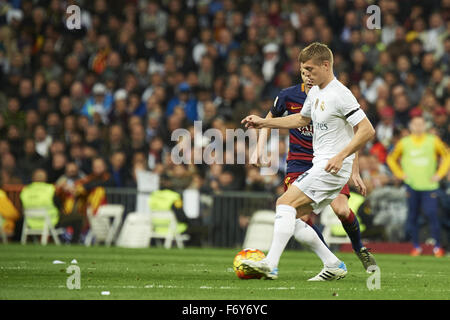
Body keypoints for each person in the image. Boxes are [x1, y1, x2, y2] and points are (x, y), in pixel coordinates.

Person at [241, 42, 375, 280]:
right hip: (319, 165)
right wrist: (264, 122)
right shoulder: (314, 92)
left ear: (326, 65)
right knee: (292, 217)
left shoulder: (340, 94)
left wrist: (341, 156)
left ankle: (270, 264)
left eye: (311, 70)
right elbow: (301, 120)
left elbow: (366, 130)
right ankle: (333, 264)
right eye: (304, 70)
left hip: (331, 167)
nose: (307, 75)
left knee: (284, 203)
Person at [386, 116, 449, 257]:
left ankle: (437, 247)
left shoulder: (433, 141)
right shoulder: (404, 142)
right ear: (411, 126)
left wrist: (440, 174)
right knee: (412, 217)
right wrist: (400, 174)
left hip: (430, 185)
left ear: (425, 125)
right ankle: (416, 246)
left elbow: (447, 155)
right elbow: (391, 158)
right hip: (411, 185)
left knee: (432, 215)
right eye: (416, 124)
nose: (419, 126)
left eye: (421, 124)